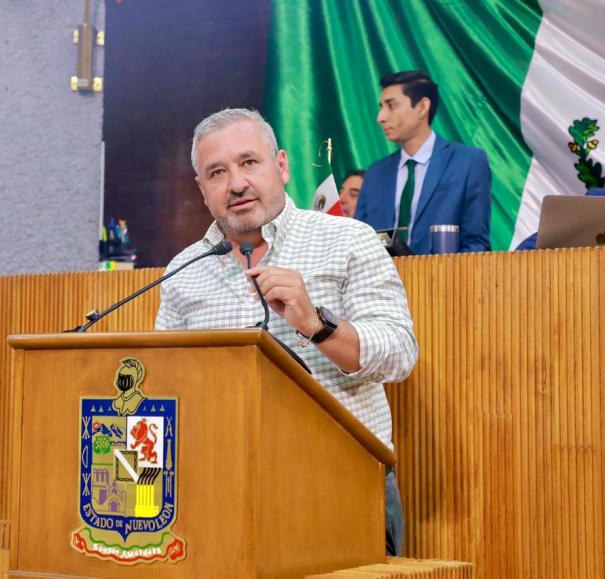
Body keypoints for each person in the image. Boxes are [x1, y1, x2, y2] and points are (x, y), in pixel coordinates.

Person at [155, 108, 419, 555]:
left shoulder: (349, 239)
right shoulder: (184, 269)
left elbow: (398, 354)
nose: (235, 183)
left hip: (341, 483)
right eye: (217, 173)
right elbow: (166, 388)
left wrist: (317, 324)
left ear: (281, 165)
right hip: (218, 495)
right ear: (202, 190)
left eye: (248, 163)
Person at [355, 71, 491, 254]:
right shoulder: (376, 173)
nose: (381, 117)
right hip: (384, 281)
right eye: (381, 107)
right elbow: (359, 242)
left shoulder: (467, 163)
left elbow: (476, 244)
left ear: (422, 107)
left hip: (446, 279)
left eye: (391, 106)